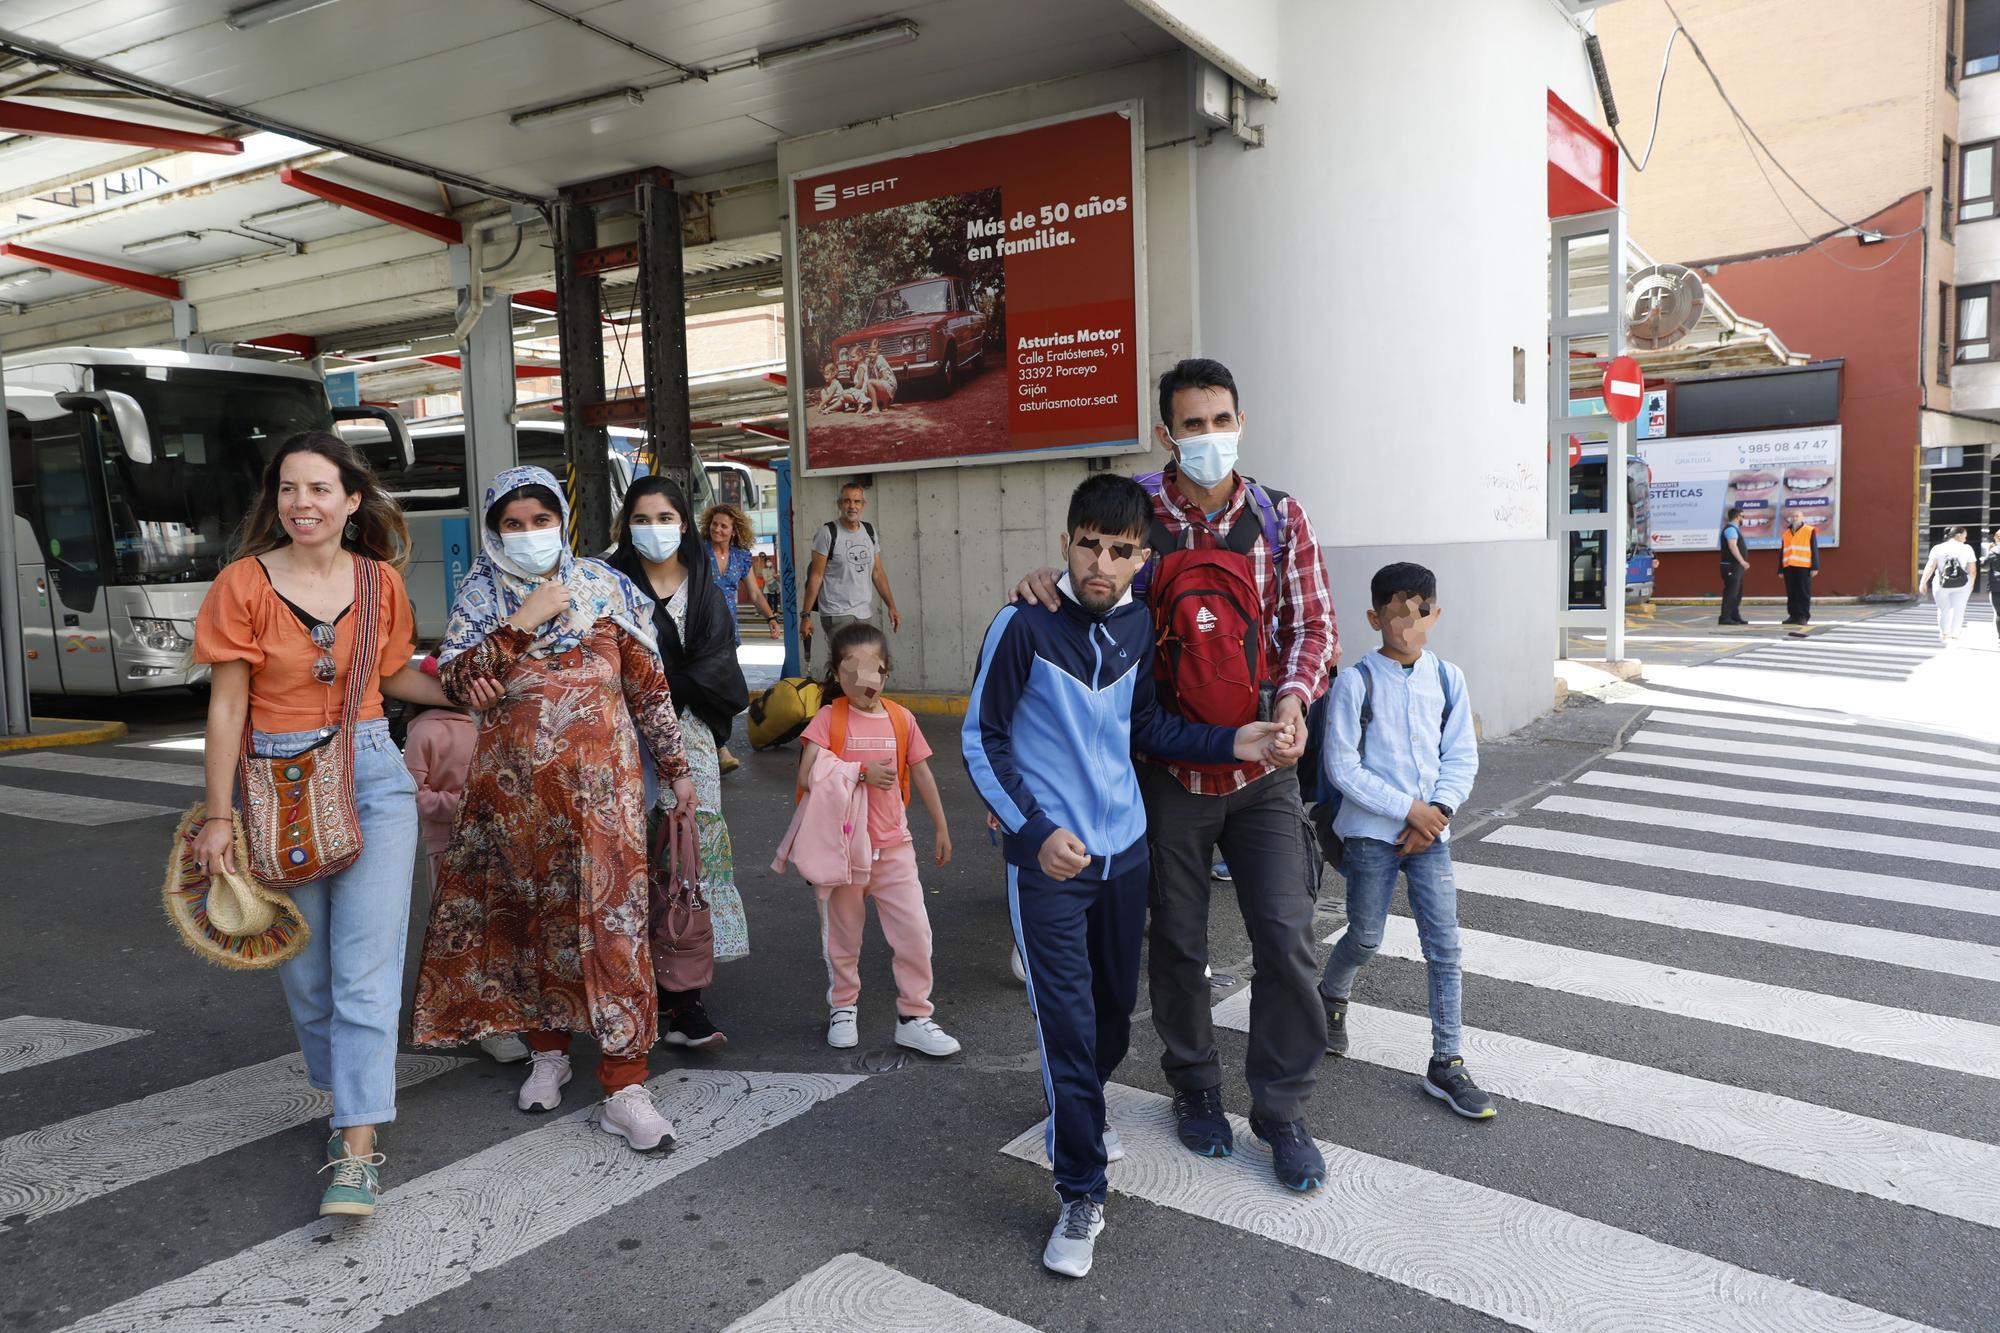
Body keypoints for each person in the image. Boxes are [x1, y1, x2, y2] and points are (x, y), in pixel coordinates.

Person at [1011, 358, 1334, 1192]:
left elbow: (1315, 627)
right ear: (1167, 433)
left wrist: (1294, 703)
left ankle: (1281, 1105)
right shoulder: (1139, 515)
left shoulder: (1280, 517)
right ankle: (1195, 1086)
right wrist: (1048, 583)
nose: (1208, 437)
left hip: (1264, 764)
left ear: (1241, 419)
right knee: (1179, 946)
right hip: (1164, 769)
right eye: (1191, 424)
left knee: (1288, 936)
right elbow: (1093, 579)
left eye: (1220, 419)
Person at [970, 473, 1292, 1278]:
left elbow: (1145, 723)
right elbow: (982, 740)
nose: (1100, 562)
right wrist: (1034, 831)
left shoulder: (1140, 627)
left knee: (1112, 1018)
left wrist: (1235, 744)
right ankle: (1081, 1186)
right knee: (1069, 1029)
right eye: (1089, 544)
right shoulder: (1021, 624)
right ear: (1065, 542)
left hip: (1127, 853)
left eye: (1120, 549)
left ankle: (1079, 1104)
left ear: (1142, 556)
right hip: (1048, 865)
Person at [191, 431, 489, 1220]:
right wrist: (219, 816)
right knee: (307, 969)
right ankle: (348, 1086)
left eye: (320, 489)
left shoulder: (380, 582)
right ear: (275, 501)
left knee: (365, 969)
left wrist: (467, 693)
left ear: (352, 500)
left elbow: (392, 675)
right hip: (277, 780)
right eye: (289, 490)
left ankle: (356, 1143)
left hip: (370, 776)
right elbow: (227, 705)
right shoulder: (242, 584)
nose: (303, 504)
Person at [411, 465, 698, 1154]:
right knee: (537, 923)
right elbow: (457, 680)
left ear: (562, 520)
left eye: (542, 520)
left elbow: (650, 689)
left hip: (607, 803)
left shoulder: (604, 587)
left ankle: (625, 1082)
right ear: (492, 531)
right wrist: (521, 622)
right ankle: (549, 1052)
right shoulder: (478, 597)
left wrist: (680, 769)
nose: (531, 534)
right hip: (517, 804)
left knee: (615, 929)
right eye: (514, 524)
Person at [1317, 562, 1490, 1120]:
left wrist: (1436, 812)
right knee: (1366, 937)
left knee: (1445, 947)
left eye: (1419, 610)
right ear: (1375, 617)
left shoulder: (1448, 678)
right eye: (1396, 610)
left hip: (1431, 832)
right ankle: (1331, 992)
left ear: (1434, 615)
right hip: (1371, 834)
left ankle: (1447, 1062)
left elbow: (1461, 754)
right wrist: (1408, 810)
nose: (1407, 621)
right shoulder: (1355, 682)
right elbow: (1342, 766)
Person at [607, 477, 752, 1050]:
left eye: (666, 516)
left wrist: (667, 687)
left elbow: (721, 669)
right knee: (626, 860)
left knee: (687, 863)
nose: (655, 528)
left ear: (684, 523)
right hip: (618, 736)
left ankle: (684, 997)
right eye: (642, 518)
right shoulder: (609, 584)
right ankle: (630, 987)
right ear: (627, 526)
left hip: (689, 740)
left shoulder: (707, 591)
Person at [797, 622, 958, 1057]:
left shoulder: (901, 719)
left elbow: (921, 771)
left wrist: (941, 827)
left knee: (915, 934)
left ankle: (914, 1015)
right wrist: (859, 772)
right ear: (837, 674)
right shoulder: (829, 719)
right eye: (854, 671)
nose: (866, 681)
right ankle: (843, 1006)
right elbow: (807, 775)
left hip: (894, 848)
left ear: (887, 670)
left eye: (876, 670)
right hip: (844, 853)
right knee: (843, 939)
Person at [401, 673, 527, 1065]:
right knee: (459, 935)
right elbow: (410, 794)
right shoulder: (424, 731)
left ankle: (495, 1014)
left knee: (498, 930)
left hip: (501, 844)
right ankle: (467, 1018)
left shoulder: (491, 718)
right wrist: (462, 805)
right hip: (448, 848)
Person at [700, 500, 778, 776]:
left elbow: (755, 594)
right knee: (703, 689)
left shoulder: (741, 557)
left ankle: (718, 744)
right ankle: (717, 747)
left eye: (723, 526)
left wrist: (770, 619)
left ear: (734, 530)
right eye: (714, 524)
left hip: (728, 632)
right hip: (699, 629)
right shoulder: (698, 551)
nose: (717, 529)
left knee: (725, 690)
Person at [800, 480, 900, 665]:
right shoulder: (827, 533)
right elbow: (816, 576)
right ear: (839, 504)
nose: (852, 506)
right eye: (847, 501)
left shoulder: (869, 531)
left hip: (863, 612)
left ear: (863, 505)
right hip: (836, 612)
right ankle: (835, 693)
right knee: (847, 665)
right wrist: (806, 616)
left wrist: (891, 606)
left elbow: (877, 572)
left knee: (863, 665)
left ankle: (850, 694)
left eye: (856, 502)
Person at [1920, 525, 1978, 645]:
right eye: (1965, 536)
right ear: (1959, 535)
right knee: (1959, 610)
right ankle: (1955, 636)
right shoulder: (1967, 549)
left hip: (1941, 584)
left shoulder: (1938, 548)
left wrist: (1923, 582)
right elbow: (1972, 570)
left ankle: (1944, 634)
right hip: (1962, 585)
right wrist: (1971, 585)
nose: (1966, 539)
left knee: (1943, 610)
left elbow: (1930, 566)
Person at [1780, 512, 1819, 627]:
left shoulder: (1809, 530)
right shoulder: (1786, 533)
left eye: (1797, 516)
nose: (1795, 518)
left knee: (1803, 593)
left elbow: (1814, 549)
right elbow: (1782, 552)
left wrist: (1815, 566)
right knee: (1791, 593)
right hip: (1788, 567)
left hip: (1804, 566)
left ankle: (1803, 617)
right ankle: (1793, 616)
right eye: (1793, 516)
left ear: (1802, 518)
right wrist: (1780, 569)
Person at [1717, 505, 1750, 626]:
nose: (1743, 519)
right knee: (1731, 592)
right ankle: (1725, 617)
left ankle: (1735, 616)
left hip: (1736, 566)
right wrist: (1742, 561)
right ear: (1737, 517)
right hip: (1731, 566)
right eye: (1742, 516)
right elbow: (1732, 546)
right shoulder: (1730, 529)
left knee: (1737, 592)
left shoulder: (1734, 529)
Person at [856, 338, 897, 413]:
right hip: (883, 384)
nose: (871, 354)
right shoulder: (869, 361)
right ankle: (884, 405)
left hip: (890, 385)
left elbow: (884, 378)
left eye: (874, 352)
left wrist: (873, 383)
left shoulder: (879, 360)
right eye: (870, 352)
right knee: (866, 389)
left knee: (870, 383)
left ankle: (875, 407)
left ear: (879, 351)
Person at [1983, 528, 2000, 634]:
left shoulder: (1993, 552)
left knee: (1999, 613)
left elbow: (1984, 566)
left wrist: (1988, 552)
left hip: (1996, 585)